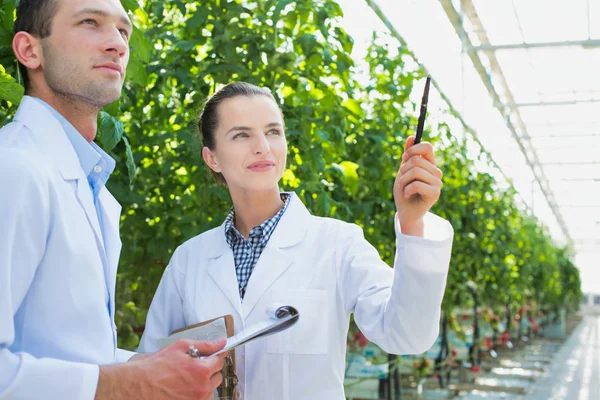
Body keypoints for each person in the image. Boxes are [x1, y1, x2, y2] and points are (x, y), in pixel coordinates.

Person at [138, 82, 454, 399]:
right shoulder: (188, 260)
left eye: (273, 131)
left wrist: (412, 222)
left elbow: (407, 334)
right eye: (241, 135)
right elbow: (151, 366)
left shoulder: (338, 244)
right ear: (212, 157)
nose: (263, 146)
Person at [0, 0, 226, 399]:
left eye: (123, 32)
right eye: (90, 22)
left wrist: (143, 366)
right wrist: (135, 381)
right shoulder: (14, 169)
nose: (117, 44)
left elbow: (67, 350)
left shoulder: (94, 190)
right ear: (29, 50)